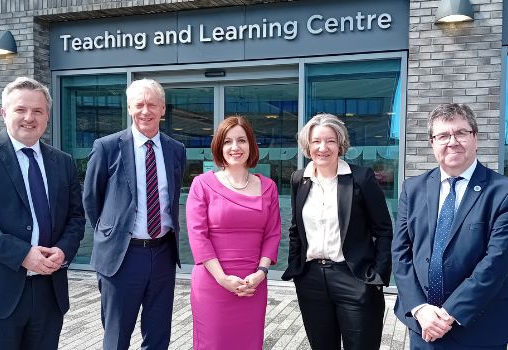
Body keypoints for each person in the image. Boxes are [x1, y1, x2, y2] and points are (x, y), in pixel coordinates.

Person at [0, 76, 86, 350]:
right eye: (21, 109)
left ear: (47, 116)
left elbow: (76, 218)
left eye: (38, 111)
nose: (29, 118)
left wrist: (63, 250)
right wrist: (22, 254)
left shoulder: (63, 162)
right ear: (4, 113)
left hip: (48, 292)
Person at [391, 103, 508, 349]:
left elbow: (496, 262)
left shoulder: (504, 192)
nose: (452, 141)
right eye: (443, 135)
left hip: (479, 326)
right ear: (432, 143)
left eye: (461, 133)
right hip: (423, 325)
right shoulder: (412, 189)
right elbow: (401, 253)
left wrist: (448, 314)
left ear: (475, 138)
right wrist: (420, 309)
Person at [82, 78, 186, 350]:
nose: (145, 111)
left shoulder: (176, 150)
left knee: (158, 334)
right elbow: (92, 199)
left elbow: (171, 199)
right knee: (117, 337)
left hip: (163, 254)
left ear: (163, 109)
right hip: (121, 256)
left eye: (152, 104)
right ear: (129, 108)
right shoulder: (107, 147)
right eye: (139, 104)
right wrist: (112, 233)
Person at [280, 114, 393, 350]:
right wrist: (297, 268)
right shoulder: (299, 179)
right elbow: (295, 229)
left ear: (340, 144)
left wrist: (377, 276)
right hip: (311, 280)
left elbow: (383, 230)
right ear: (307, 146)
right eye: (316, 141)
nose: (323, 148)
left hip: (354, 278)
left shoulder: (361, 177)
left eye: (330, 141)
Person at [185, 116, 282, 350]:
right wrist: (222, 278)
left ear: (251, 145)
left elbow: (272, 234)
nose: (235, 147)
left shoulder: (268, 187)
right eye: (227, 141)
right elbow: (198, 235)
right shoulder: (202, 184)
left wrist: (261, 273)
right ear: (219, 146)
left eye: (242, 140)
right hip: (213, 283)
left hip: (252, 286)